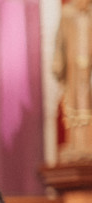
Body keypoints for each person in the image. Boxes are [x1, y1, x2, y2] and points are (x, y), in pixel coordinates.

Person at [53, 0, 92, 161]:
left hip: (89, 71)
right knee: (75, 104)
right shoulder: (67, 13)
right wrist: (58, 60)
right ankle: (77, 145)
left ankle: (88, 145)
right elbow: (60, 41)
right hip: (73, 70)